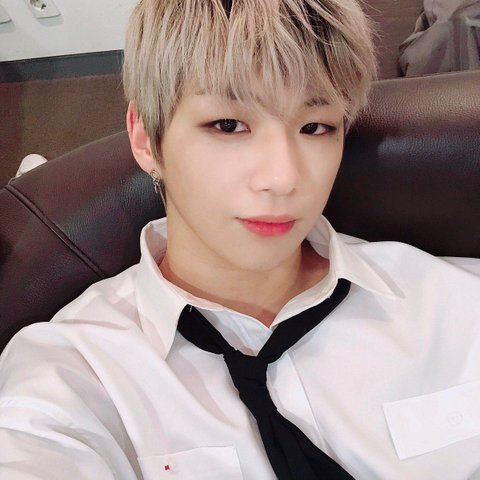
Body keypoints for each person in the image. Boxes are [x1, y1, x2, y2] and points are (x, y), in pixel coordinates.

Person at [0, 0, 479, 478]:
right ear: (146, 138)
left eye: (315, 127)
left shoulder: (450, 302)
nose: (284, 178)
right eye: (228, 125)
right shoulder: (74, 371)